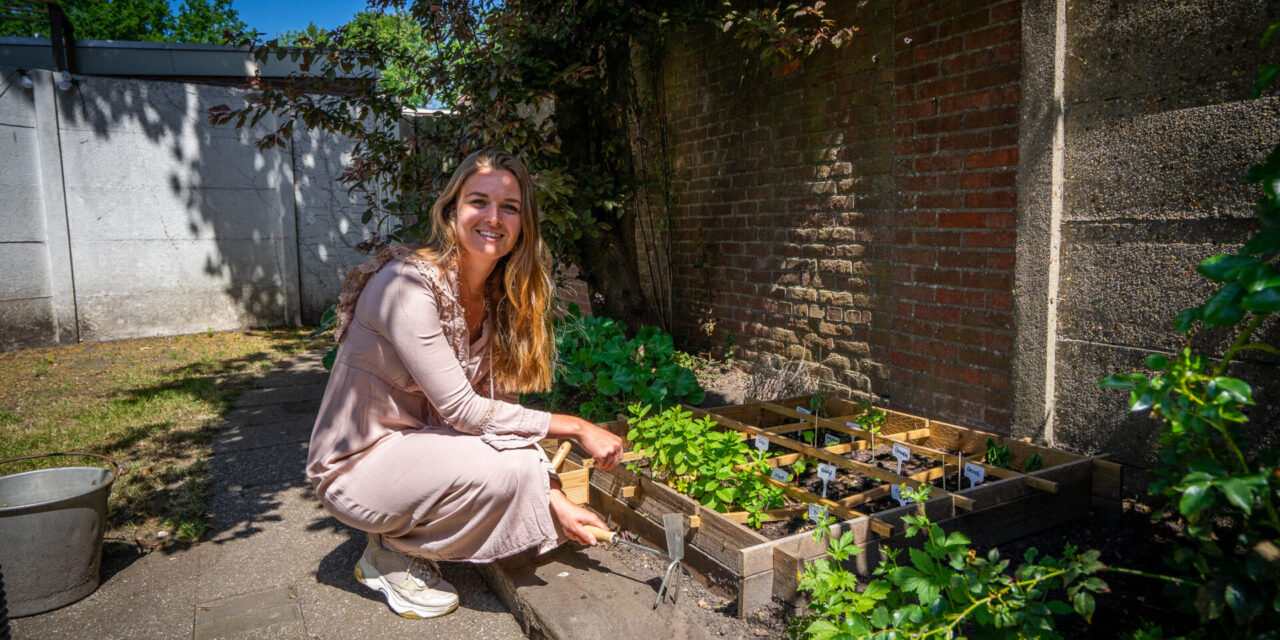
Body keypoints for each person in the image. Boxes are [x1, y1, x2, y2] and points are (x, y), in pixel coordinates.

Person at [305, 148, 624, 620]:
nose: (494, 217)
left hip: (422, 451)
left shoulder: (500, 299)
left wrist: (555, 500)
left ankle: (403, 530)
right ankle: (389, 552)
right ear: (452, 209)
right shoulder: (405, 286)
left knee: (519, 461)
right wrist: (576, 426)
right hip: (357, 467)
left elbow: (502, 414)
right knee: (510, 470)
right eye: (480, 201)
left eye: (510, 207)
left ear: (523, 224)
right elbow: (464, 412)